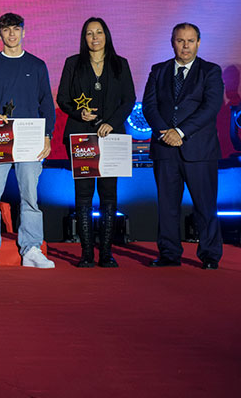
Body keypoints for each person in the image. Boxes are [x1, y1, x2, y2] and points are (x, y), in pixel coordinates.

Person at [0, 13, 56, 269]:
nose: (12, 34)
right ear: (0, 33)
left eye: (16, 29)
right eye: (7, 30)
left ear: (24, 32)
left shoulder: (37, 65)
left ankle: (31, 248)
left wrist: (48, 136)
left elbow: (46, 104)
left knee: (30, 197)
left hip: (30, 140)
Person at [142, 23, 224, 269]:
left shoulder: (210, 71)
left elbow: (211, 107)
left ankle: (210, 255)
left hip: (200, 151)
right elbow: (149, 106)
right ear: (172, 42)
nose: (185, 46)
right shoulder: (158, 70)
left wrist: (179, 132)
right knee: (167, 207)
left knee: (205, 206)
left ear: (198, 43)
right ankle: (169, 254)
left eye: (190, 41)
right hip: (165, 149)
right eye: (180, 40)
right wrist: (165, 132)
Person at [56, 17, 136, 267]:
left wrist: (111, 122)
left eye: (99, 32)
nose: (94, 37)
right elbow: (62, 98)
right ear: (84, 38)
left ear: (106, 35)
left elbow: (129, 99)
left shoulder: (120, 64)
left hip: (111, 137)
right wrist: (78, 113)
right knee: (83, 195)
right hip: (82, 136)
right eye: (89, 33)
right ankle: (87, 253)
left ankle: (106, 253)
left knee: (109, 195)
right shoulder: (73, 63)